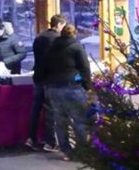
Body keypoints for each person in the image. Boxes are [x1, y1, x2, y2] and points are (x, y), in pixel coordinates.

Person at [45, 23, 91, 160]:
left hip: (53, 88)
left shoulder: (52, 48)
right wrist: (85, 84)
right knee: (79, 120)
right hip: (72, 88)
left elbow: (46, 67)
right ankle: (81, 151)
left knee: (60, 121)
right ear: (74, 34)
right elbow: (84, 68)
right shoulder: (76, 46)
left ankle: (66, 151)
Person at [26, 14, 66, 151]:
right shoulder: (57, 39)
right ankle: (50, 141)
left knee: (35, 109)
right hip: (51, 79)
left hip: (38, 76)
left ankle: (31, 138)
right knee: (50, 110)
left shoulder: (39, 37)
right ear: (60, 25)